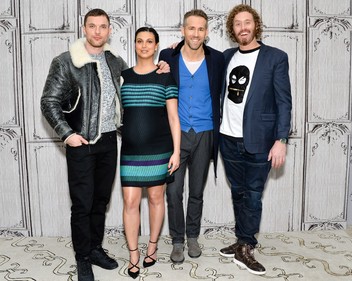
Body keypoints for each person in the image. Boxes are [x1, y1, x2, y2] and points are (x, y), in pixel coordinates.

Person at [40, 9, 169, 281]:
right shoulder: (66, 62)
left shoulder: (115, 61)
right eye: (92, 26)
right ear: (84, 28)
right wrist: (67, 134)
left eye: (103, 27)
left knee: (101, 200)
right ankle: (82, 257)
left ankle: (95, 248)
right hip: (81, 143)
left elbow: (137, 81)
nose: (97, 31)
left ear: (109, 30)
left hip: (110, 143)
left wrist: (163, 66)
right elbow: (48, 101)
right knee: (82, 204)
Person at [218, 4, 292, 275]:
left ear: (255, 25)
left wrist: (281, 139)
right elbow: (195, 58)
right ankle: (242, 239)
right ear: (232, 29)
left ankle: (246, 244)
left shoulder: (275, 57)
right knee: (238, 192)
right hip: (228, 138)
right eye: (237, 24)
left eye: (247, 22)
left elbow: (284, 101)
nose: (243, 28)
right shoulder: (226, 56)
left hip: (260, 140)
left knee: (252, 194)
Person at [159, 9, 225, 264]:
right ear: (183, 30)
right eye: (191, 28)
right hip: (175, 135)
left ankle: (193, 236)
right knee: (174, 192)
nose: (195, 33)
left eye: (200, 29)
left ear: (206, 32)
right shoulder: (167, 56)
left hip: (206, 132)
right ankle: (177, 240)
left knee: (197, 191)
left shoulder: (218, 58)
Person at [120, 27, 180, 279]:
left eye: (149, 42)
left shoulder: (165, 76)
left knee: (156, 199)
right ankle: (134, 254)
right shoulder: (122, 76)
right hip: (131, 151)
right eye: (139, 41)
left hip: (159, 149)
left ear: (156, 46)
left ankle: (152, 246)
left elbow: (173, 117)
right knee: (130, 202)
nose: (144, 45)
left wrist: (176, 152)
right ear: (134, 45)